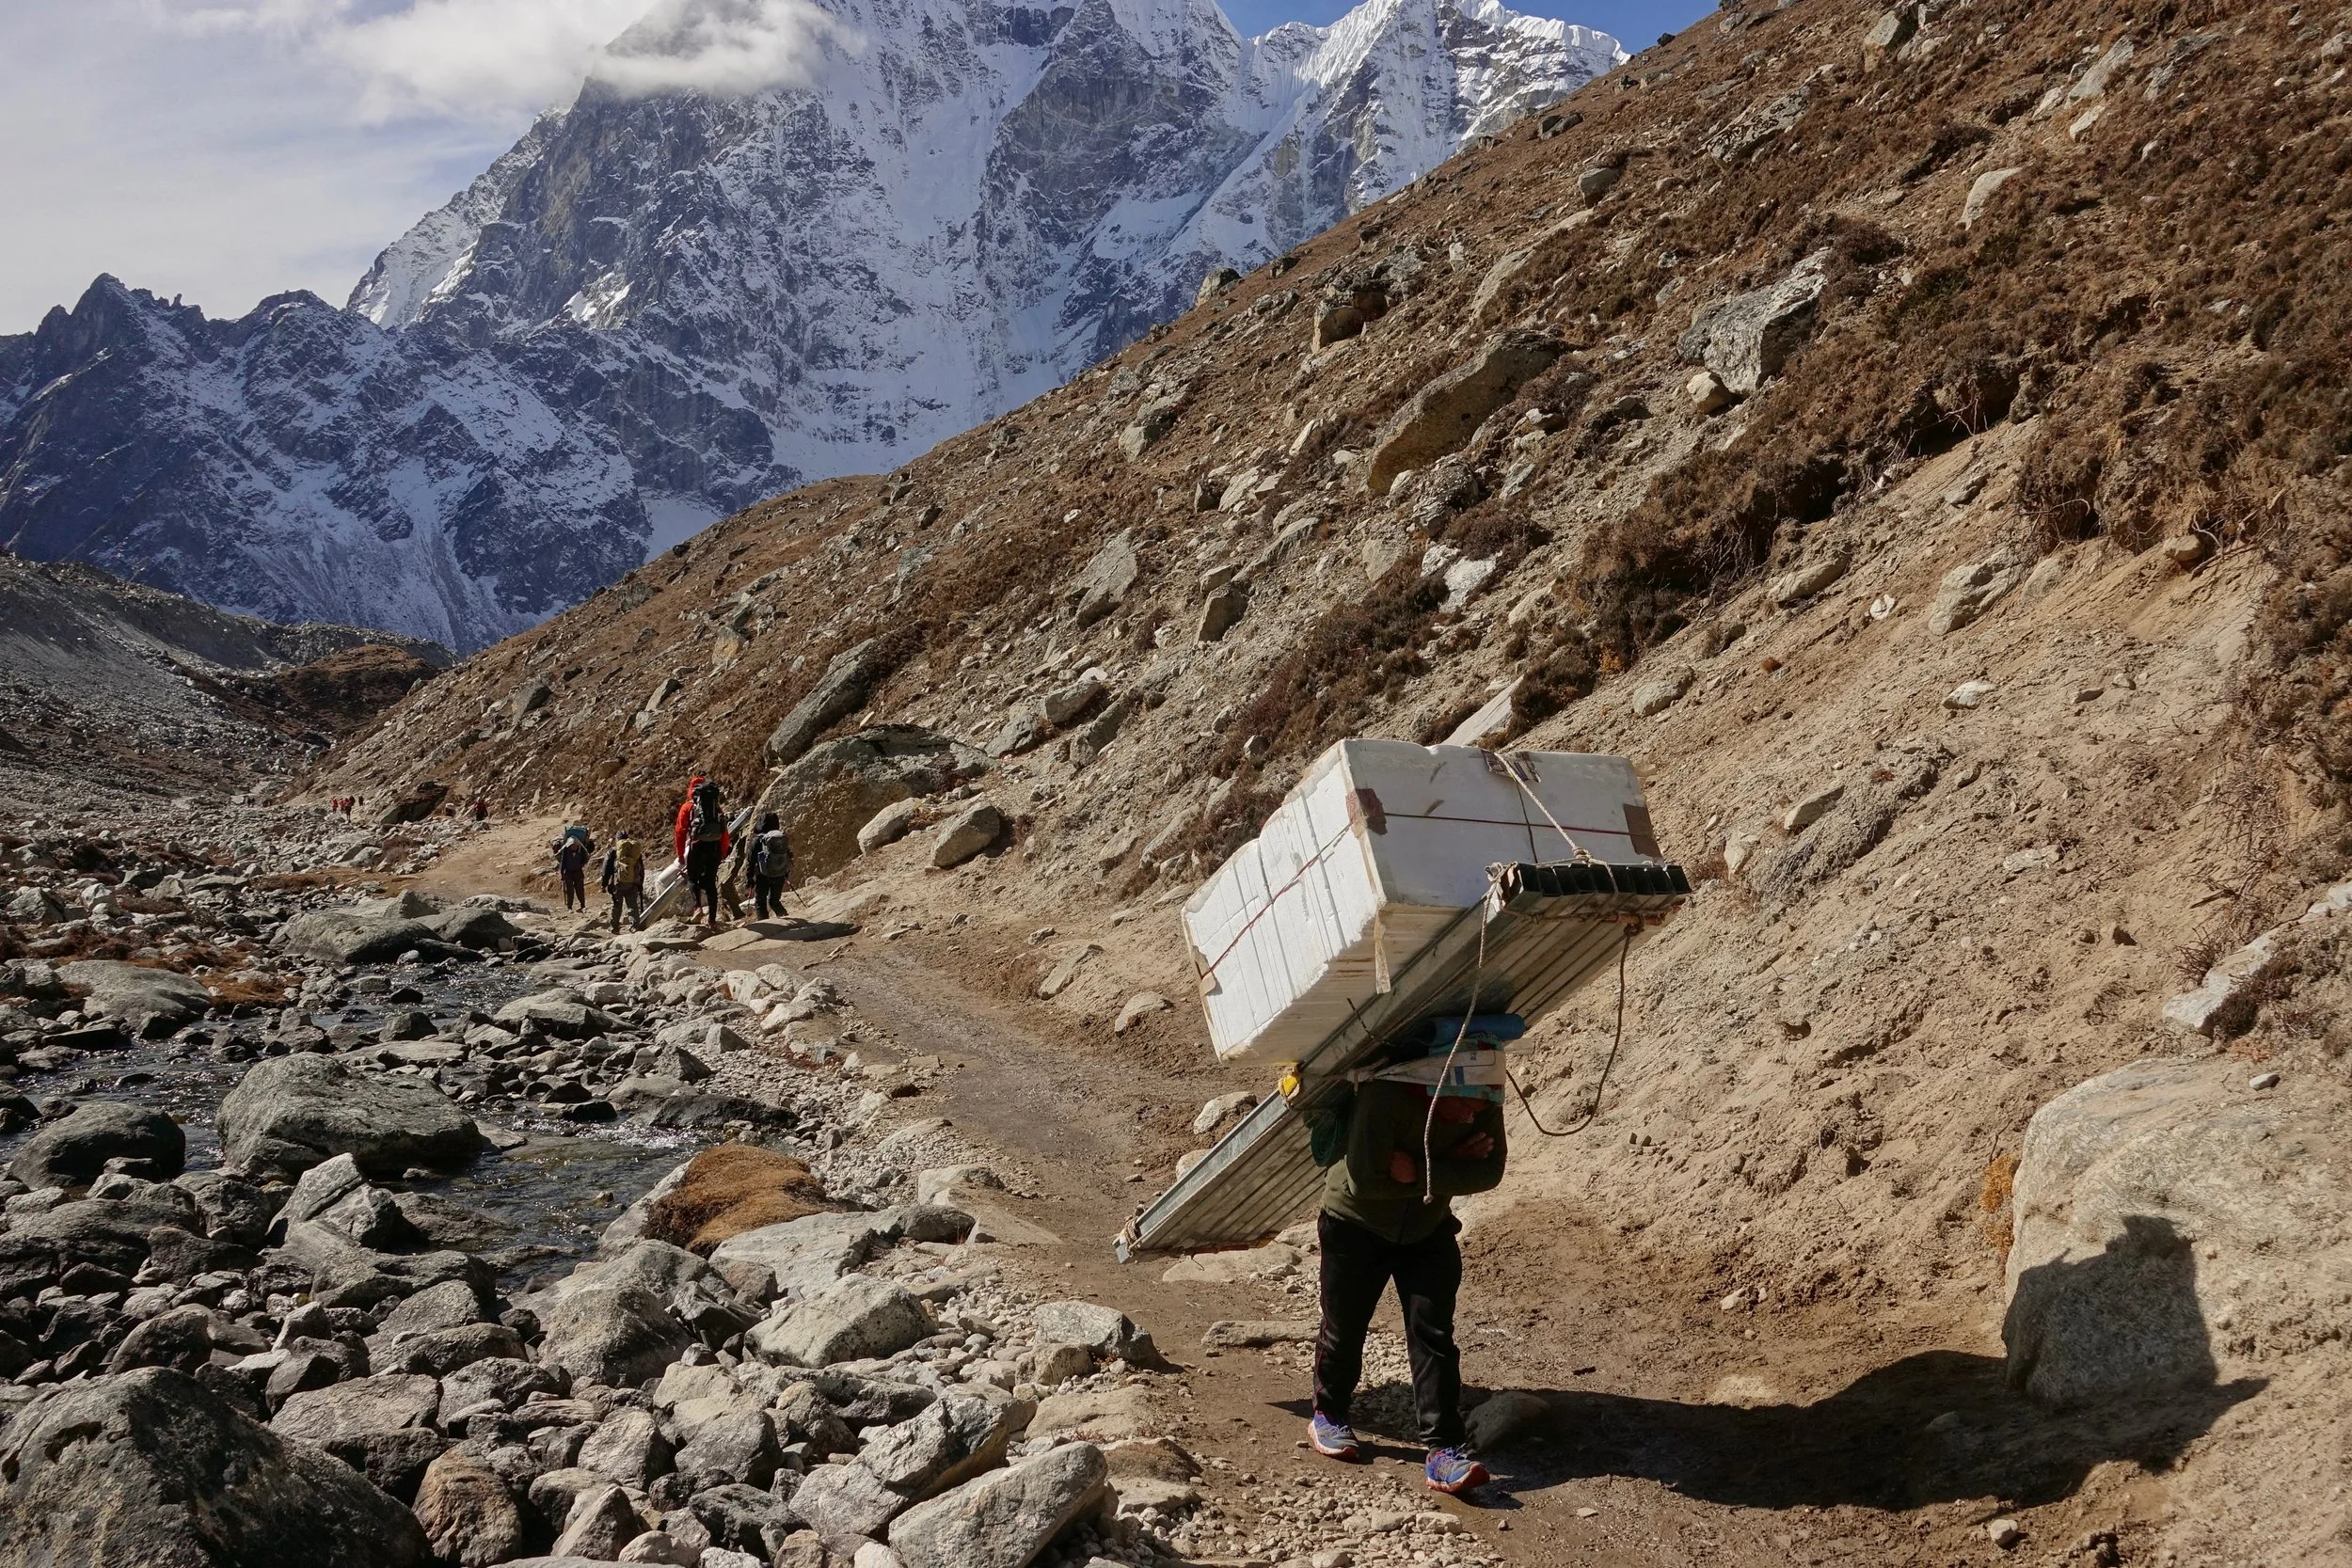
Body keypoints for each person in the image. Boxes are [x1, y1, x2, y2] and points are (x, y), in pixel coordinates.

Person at [1304, 1017, 1512, 1496]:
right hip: (1355, 1225)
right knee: (1345, 1324)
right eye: (1464, 1107)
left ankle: (1444, 1451)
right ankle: (1329, 1415)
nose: (1473, 1117)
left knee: (1433, 1333)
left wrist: (1418, 1171)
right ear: (1436, 1084)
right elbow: (1365, 1181)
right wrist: (1449, 1167)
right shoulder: (1386, 1096)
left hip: (1426, 1226)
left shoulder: (1480, 1095)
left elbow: (1491, 1171)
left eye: (1483, 1107)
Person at [673, 774, 731, 927]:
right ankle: (712, 919)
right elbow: (724, 831)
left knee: (692, 878)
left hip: (697, 846)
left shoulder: (687, 807)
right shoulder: (715, 807)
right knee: (711, 882)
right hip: (714, 847)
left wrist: (680, 855)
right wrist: (723, 851)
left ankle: (698, 908)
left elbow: (680, 832)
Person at [749, 811, 792, 919]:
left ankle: (766, 925)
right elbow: (788, 856)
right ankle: (784, 918)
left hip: (762, 875)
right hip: (779, 873)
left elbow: (751, 861)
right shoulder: (780, 838)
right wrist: (786, 873)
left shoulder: (757, 840)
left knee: (760, 902)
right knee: (774, 901)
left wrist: (749, 879)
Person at [601, 828, 645, 933]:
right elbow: (641, 868)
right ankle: (634, 926)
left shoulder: (613, 851)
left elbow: (606, 868)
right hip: (632, 883)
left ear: (617, 840)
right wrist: (640, 883)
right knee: (632, 905)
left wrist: (604, 884)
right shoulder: (634, 851)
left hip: (618, 883)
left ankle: (614, 928)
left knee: (617, 906)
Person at [554, 824, 594, 911]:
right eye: (572, 846)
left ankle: (583, 905)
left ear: (578, 845)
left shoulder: (581, 851)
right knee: (569, 891)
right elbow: (563, 862)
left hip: (578, 873)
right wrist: (562, 874)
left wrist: (580, 866)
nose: (573, 847)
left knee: (580, 890)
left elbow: (585, 859)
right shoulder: (566, 851)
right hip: (568, 873)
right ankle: (569, 907)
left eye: (575, 846)